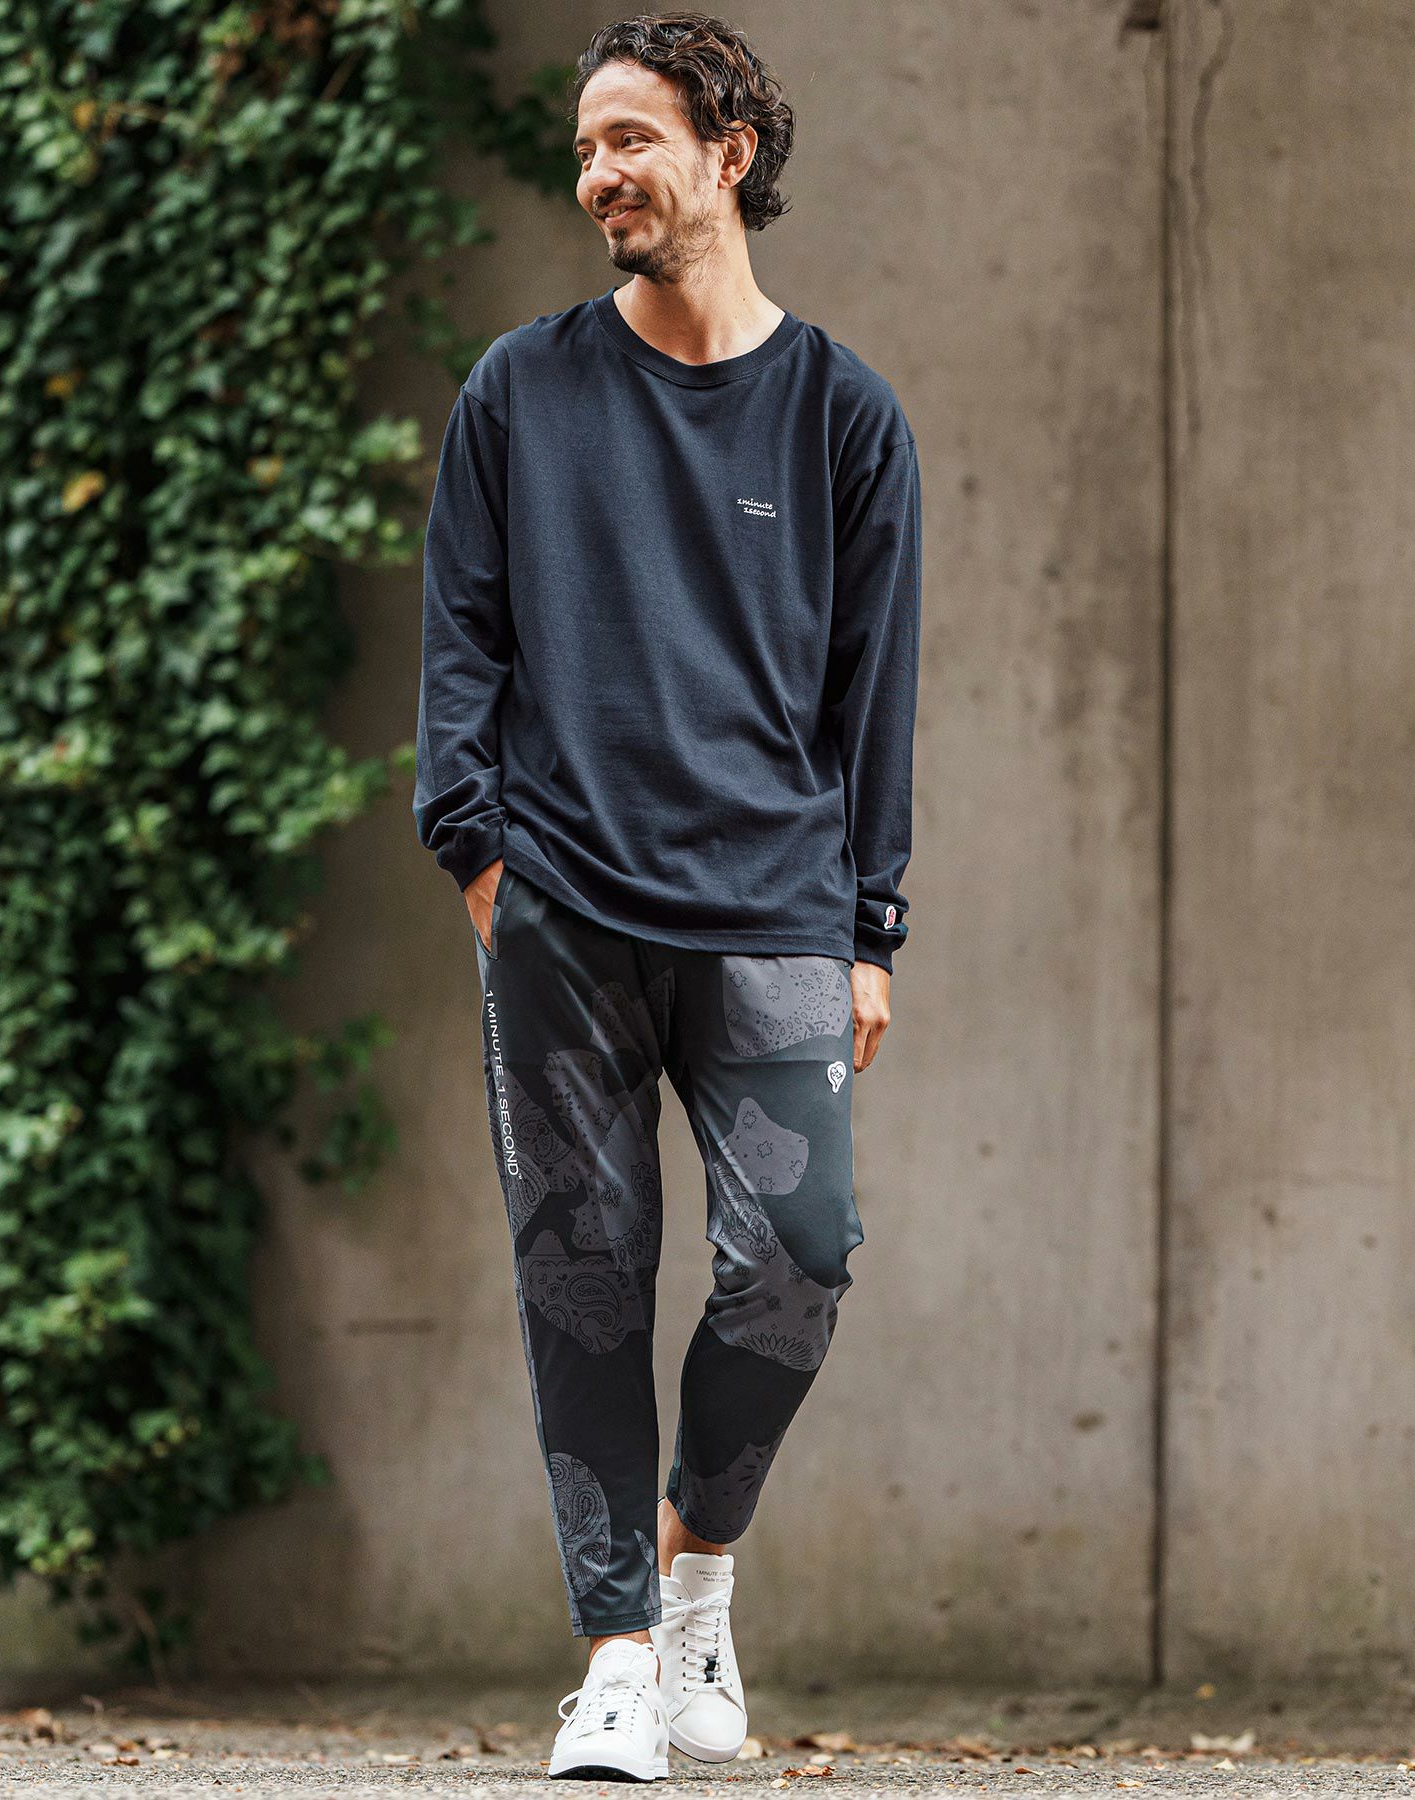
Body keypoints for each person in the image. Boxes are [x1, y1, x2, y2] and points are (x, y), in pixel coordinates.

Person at [412, 10, 921, 1782]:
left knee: (799, 1258)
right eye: (584, 147)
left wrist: (870, 928)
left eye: (631, 138)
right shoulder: (521, 391)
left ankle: (698, 1572)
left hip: (776, 905)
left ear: (730, 154)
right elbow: (461, 639)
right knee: (583, 1274)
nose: (599, 174)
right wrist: (479, 854)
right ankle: (618, 1660)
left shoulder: (845, 414)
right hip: (564, 905)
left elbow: (875, 695)